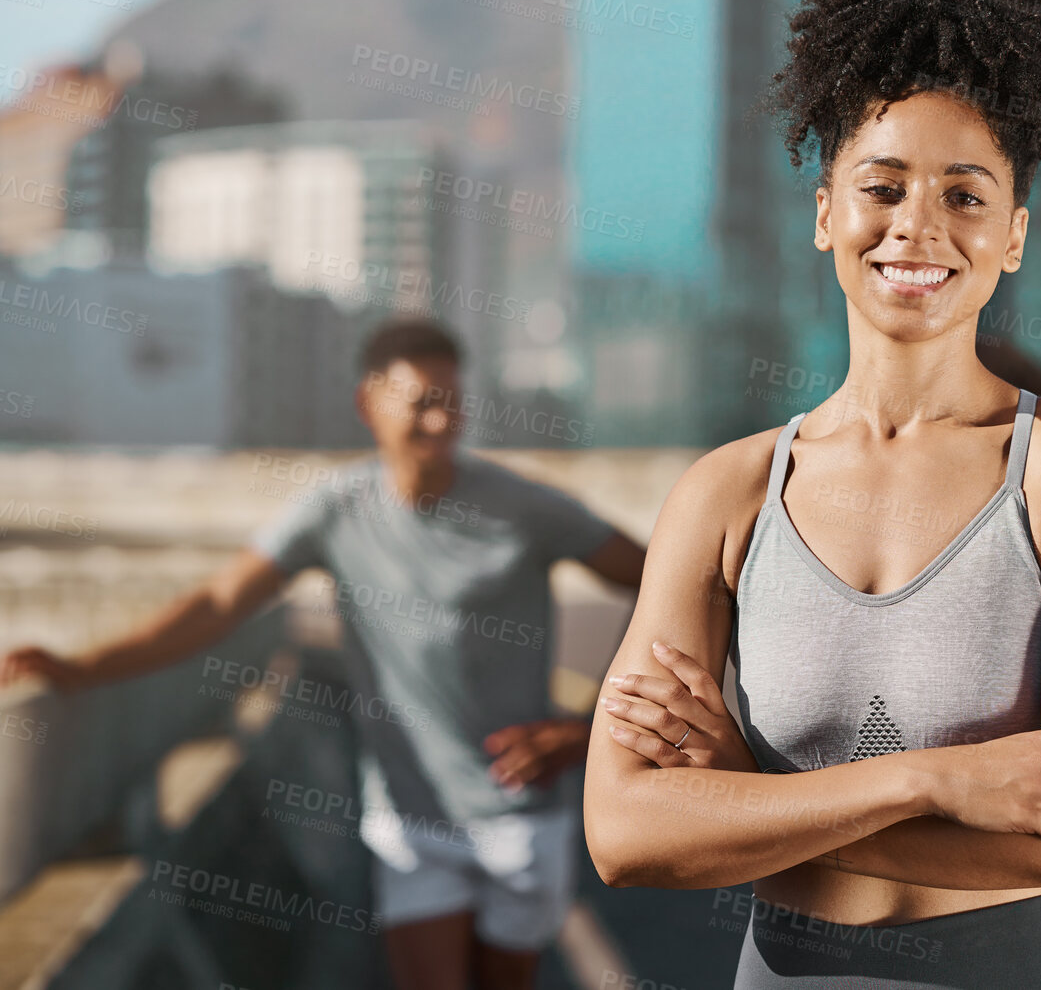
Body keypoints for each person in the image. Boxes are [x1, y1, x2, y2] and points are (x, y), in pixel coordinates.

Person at [583, 0, 1041, 989]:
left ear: (1015, 235)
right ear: (825, 215)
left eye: (965, 195)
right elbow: (624, 834)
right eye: (883, 186)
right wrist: (940, 783)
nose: (917, 228)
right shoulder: (724, 495)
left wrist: (738, 798)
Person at [1, 318, 646, 990]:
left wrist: (594, 728)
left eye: (451, 402)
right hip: (409, 820)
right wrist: (85, 666)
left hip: (520, 813)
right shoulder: (334, 510)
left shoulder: (528, 506)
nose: (438, 421)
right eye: (420, 401)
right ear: (368, 404)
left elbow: (663, 580)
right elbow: (219, 603)